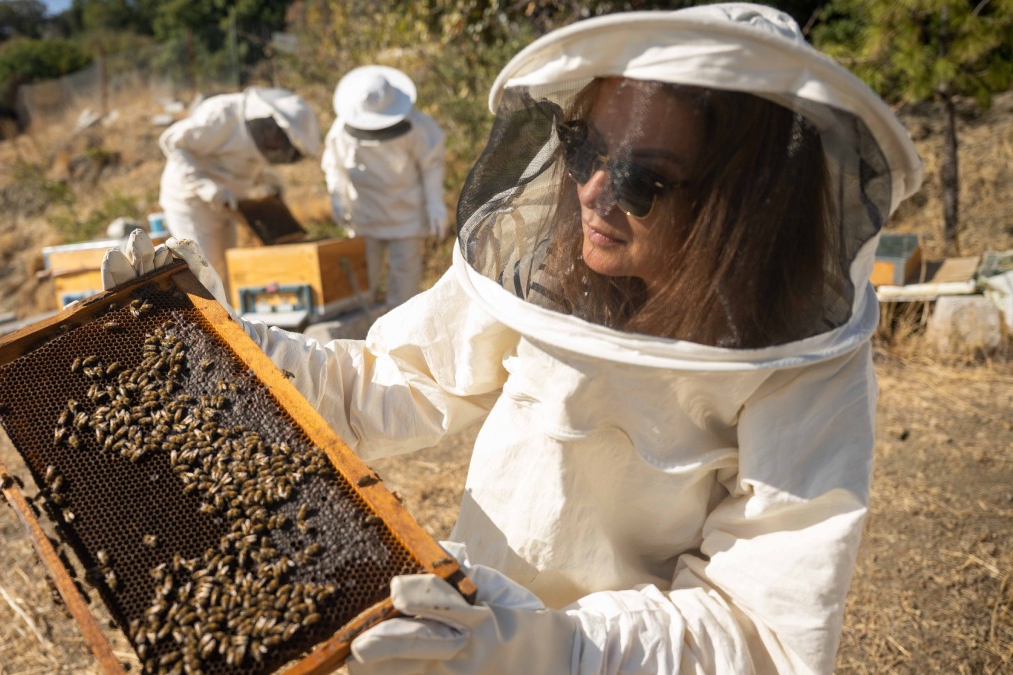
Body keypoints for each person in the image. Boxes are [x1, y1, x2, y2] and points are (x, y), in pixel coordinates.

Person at [103, 4, 923, 673]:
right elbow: (389, 380)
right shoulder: (543, 264)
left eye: (646, 178)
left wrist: (547, 648)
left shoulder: (804, 366)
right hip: (469, 628)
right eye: (584, 148)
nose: (595, 192)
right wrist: (214, 346)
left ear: (743, 203)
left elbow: (759, 634)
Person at [156, 87, 320, 281]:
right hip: (190, 203)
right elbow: (172, 143)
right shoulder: (222, 114)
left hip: (228, 203)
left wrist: (264, 179)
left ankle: (228, 313)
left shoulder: (260, 138)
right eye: (279, 139)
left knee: (227, 273)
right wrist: (204, 186)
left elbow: (239, 161)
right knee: (205, 274)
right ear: (269, 122)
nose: (276, 147)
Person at [322, 65, 450, 309]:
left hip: (406, 218)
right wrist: (338, 199)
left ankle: (400, 343)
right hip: (364, 216)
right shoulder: (341, 129)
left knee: (404, 293)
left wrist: (436, 205)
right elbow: (334, 165)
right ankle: (362, 336)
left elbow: (432, 165)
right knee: (359, 287)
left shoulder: (419, 126)